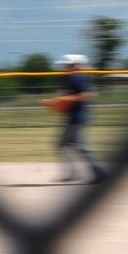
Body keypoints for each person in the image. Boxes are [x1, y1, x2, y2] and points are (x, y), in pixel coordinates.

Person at [41, 53, 108, 184]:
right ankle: (78, 173)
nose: (65, 66)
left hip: (77, 118)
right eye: (66, 64)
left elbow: (88, 94)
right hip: (73, 117)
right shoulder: (70, 78)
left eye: (69, 64)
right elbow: (64, 99)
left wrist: (66, 99)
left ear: (76, 65)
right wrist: (53, 102)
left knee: (74, 146)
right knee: (68, 145)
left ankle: (97, 173)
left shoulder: (77, 77)